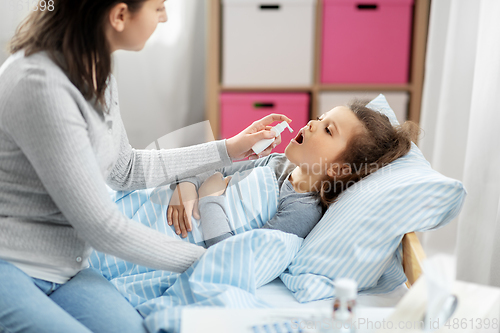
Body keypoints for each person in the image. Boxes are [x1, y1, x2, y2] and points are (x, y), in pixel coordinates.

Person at [0, 1, 291, 332]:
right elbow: (102, 227)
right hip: (11, 263)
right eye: (158, 7)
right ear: (120, 15)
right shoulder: (41, 85)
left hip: (67, 268)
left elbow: (127, 169)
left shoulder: (95, 68)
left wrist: (229, 148)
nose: (164, 16)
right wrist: (205, 260)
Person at [168, 100, 419, 247]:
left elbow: (232, 254)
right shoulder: (276, 164)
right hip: (168, 207)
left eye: (328, 130)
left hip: (178, 237)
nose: (312, 123)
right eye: (320, 118)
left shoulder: (301, 211)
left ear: (339, 169)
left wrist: (209, 197)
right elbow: (215, 168)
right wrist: (187, 183)